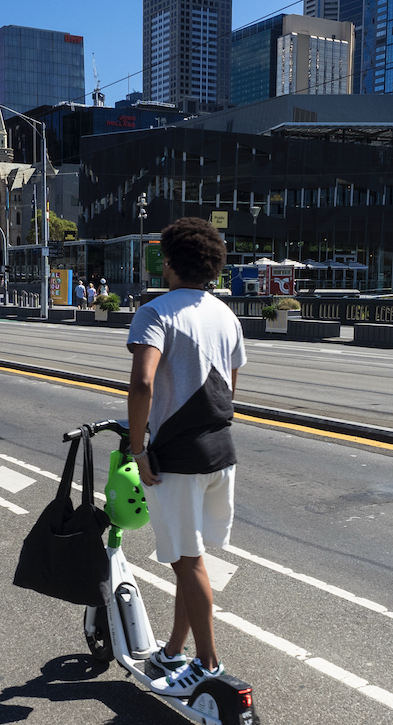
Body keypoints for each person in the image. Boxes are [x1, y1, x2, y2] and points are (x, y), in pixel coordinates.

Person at [126, 217, 246, 697]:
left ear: (170, 262)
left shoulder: (155, 312)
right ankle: (174, 649)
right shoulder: (227, 315)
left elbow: (142, 384)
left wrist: (139, 450)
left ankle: (208, 662)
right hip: (221, 453)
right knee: (187, 557)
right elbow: (230, 390)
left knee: (186, 561)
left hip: (177, 458)